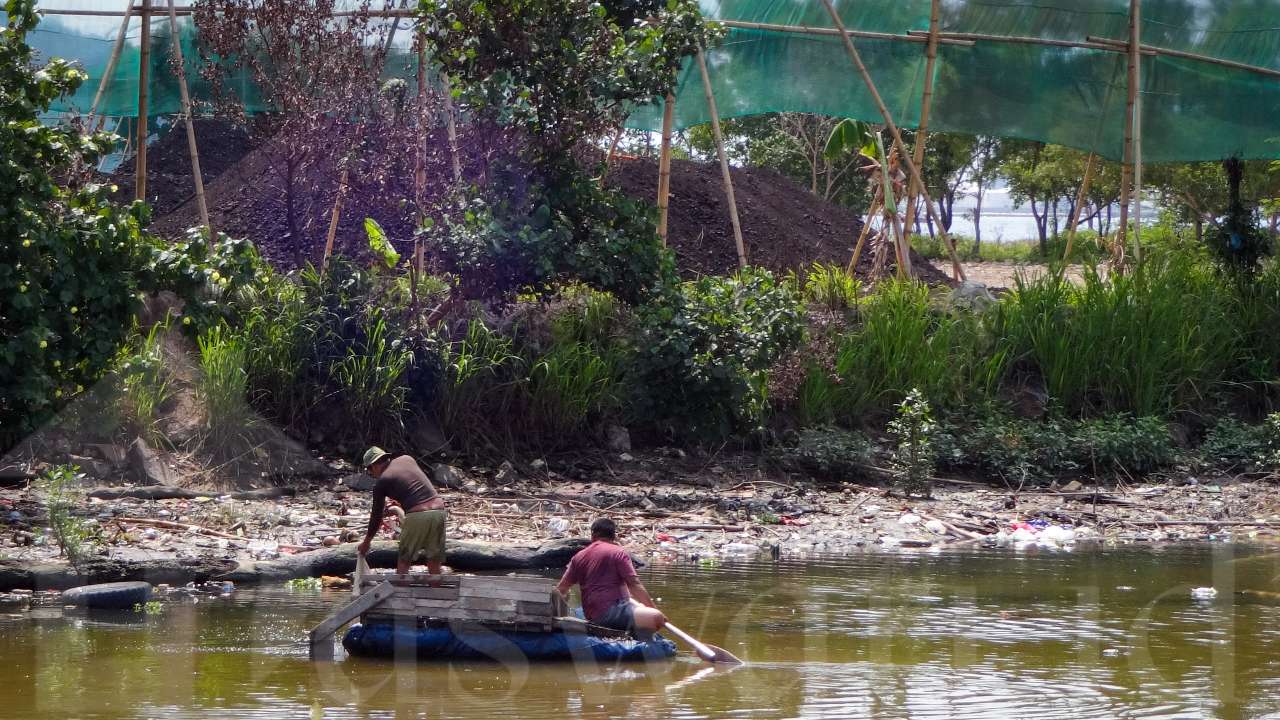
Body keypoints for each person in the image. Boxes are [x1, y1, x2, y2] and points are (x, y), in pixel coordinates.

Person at [556, 518, 666, 640]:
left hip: (592, 616)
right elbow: (634, 584)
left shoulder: (578, 557)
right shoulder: (618, 552)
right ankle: (633, 635)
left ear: (593, 535)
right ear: (614, 536)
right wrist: (654, 610)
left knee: (637, 605)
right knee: (656, 617)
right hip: (611, 614)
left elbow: (561, 589)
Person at [356, 447, 446, 575]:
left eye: (369, 470)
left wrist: (366, 543)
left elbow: (376, 517)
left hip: (418, 515)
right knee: (434, 560)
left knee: (404, 560)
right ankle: (437, 591)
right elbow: (412, 485)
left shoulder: (382, 482)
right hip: (439, 511)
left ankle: (400, 591)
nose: (371, 474)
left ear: (374, 466)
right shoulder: (407, 458)